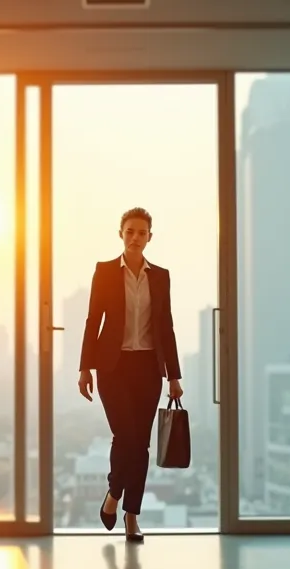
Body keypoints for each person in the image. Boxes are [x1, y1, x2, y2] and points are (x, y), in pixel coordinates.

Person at [78, 207, 184, 542]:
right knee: (126, 437)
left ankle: (130, 516)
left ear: (150, 237)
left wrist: (174, 376)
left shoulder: (160, 276)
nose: (135, 237)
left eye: (142, 232)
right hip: (113, 367)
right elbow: (93, 320)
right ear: (120, 234)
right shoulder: (105, 272)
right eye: (130, 231)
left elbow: (165, 328)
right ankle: (113, 494)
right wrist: (84, 368)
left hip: (148, 368)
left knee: (140, 445)